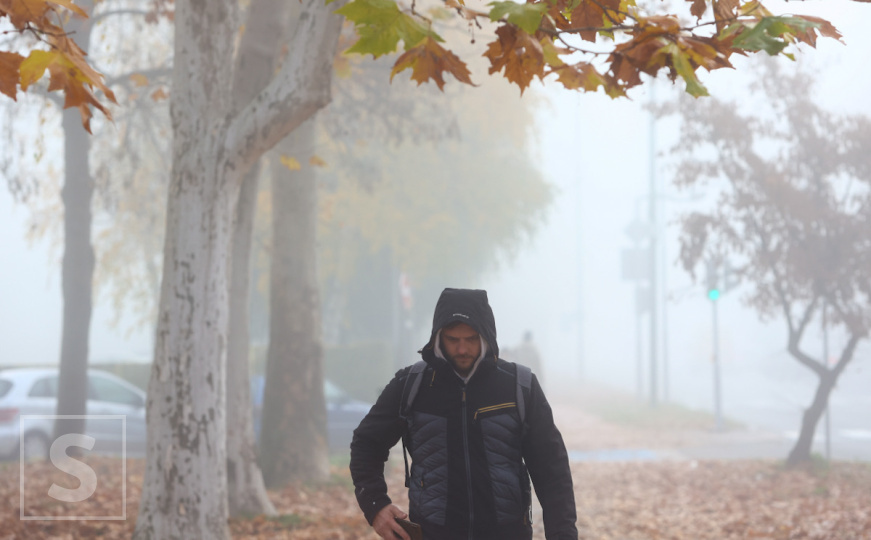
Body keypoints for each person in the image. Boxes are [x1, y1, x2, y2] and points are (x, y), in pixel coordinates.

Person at [350, 288, 578, 540]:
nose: (462, 349)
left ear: (486, 337)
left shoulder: (520, 386)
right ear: (438, 337)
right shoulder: (411, 385)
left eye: (470, 338)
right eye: (452, 339)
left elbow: (552, 470)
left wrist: (563, 534)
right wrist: (375, 506)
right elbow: (366, 443)